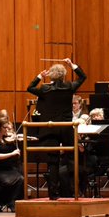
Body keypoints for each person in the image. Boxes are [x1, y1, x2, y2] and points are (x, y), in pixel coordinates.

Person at [27, 57, 87, 198]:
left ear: (51, 75)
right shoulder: (69, 87)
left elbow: (29, 88)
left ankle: (53, 194)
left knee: (53, 162)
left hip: (50, 128)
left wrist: (39, 77)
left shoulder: (45, 88)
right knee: (72, 158)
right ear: (64, 75)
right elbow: (83, 77)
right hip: (66, 127)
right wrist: (72, 64)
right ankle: (75, 191)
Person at [0, 118, 23, 211]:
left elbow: (16, 155)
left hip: (9, 169)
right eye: (5, 128)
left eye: (8, 128)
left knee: (21, 179)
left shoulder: (9, 140)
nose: (7, 130)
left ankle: (12, 202)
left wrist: (17, 144)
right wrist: (12, 153)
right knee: (7, 182)